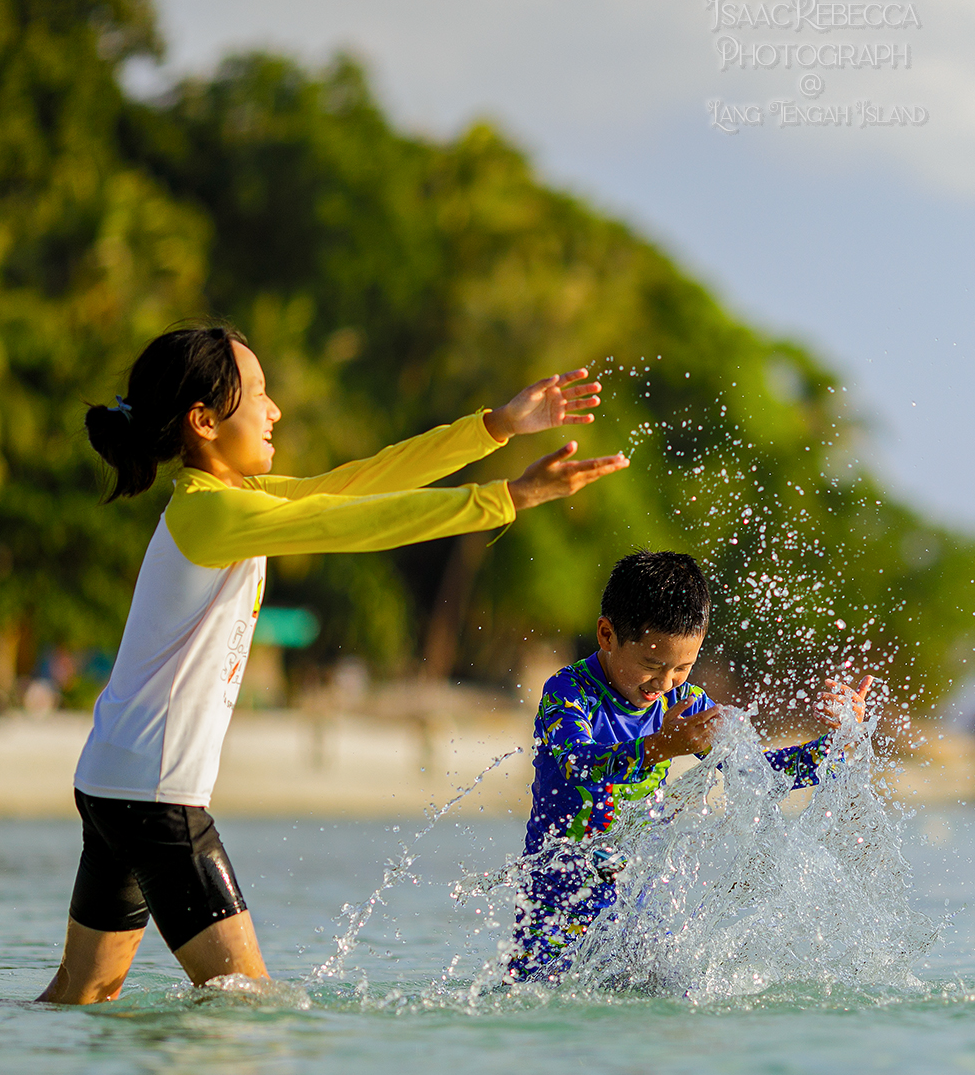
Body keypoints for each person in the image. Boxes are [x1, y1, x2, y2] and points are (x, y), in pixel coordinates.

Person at [39, 324, 629, 1003]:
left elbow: (355, 485)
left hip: (114, 782)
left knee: (80, 994)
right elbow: (350, 524)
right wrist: (509, 498)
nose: (274, 410)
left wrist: (494, 427)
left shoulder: (222, 505)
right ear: (203, 421)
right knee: (249, 1005)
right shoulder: (212, 514)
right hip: (155, 797)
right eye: (258, 394)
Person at [510, 550, 872, 982]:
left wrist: (839, 744)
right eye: (651, 664)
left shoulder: (685, 705)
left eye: (683, 667)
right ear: (607, 634)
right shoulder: (569, 691)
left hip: (633, 905)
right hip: (556, 898)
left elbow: (762, 775)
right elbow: (576, 765)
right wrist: (660, 747)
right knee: (539, 998)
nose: (664, 683)